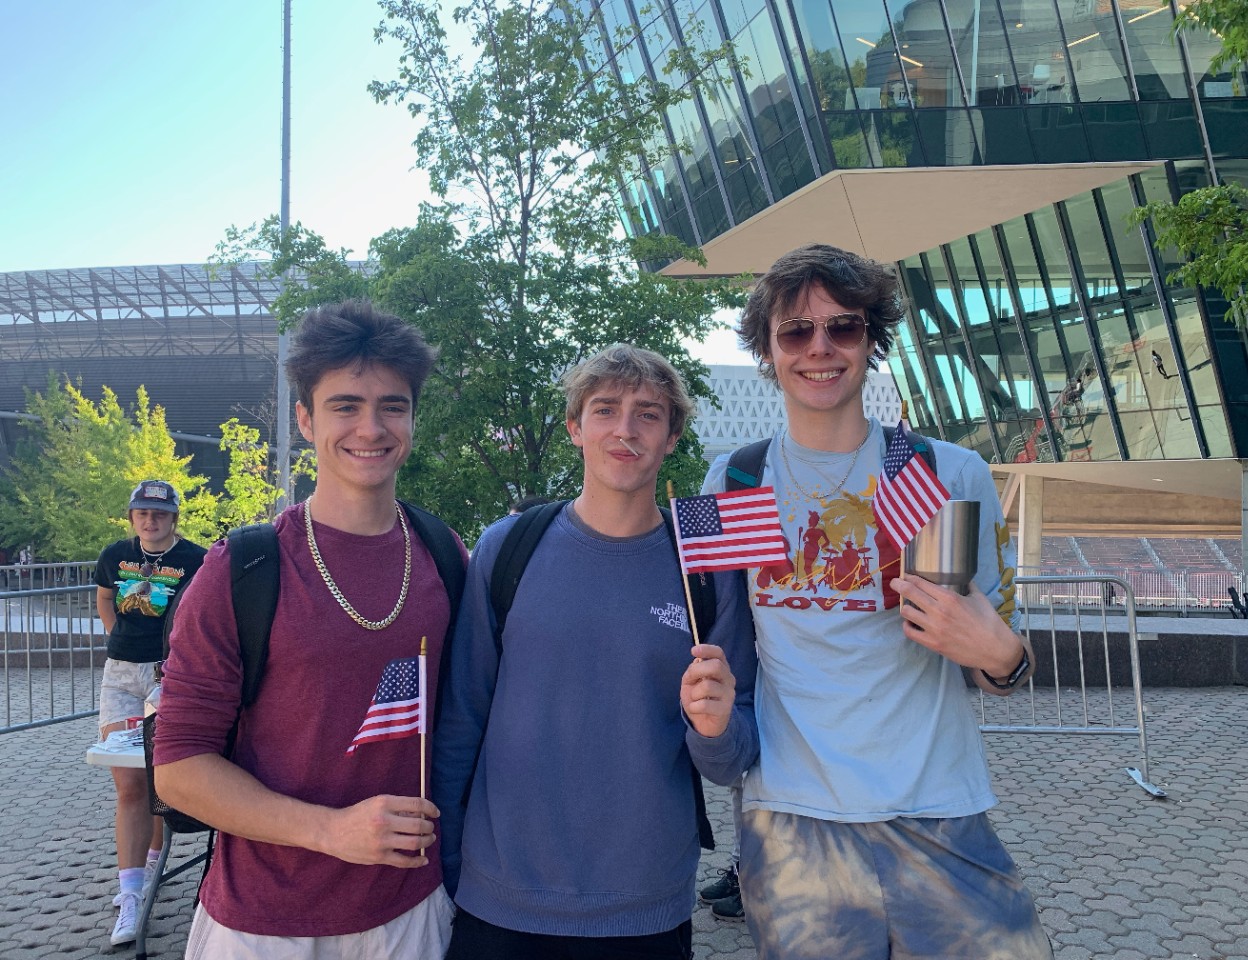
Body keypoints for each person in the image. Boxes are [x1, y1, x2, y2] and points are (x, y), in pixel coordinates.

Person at [702, 244, 1052, 959]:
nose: (820, 348)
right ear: (768, 351)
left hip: (938, 808)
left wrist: (1006, 659)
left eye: (844, 327)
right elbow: (722, 636)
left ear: (872, 339)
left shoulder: (945, 473)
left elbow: (993, 659)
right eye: (795, 331)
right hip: (793, 820)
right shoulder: (732, 480)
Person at [152, 300, 465, 959]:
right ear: (305, 417)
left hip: (411, 912)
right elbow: (178, 768)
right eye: (345, 405)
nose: (371, 428)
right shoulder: (243, 568)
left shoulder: (445, 554)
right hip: (264, 925)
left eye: (393, 406)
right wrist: (330, 832)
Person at [433, 343, 759, 959]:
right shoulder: (509, 548)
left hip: (645, 907)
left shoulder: (705, 574)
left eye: (649, 414)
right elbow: (460, 722)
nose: (626, 430)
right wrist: (446, 866)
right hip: (497, 899)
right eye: (606, 409)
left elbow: (733, 758)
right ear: (575, 428)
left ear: (672, 437)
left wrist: (715, 727)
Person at [93, 480, 206, 946]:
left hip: (169, 675)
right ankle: (130, 894)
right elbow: (104, 597)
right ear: (131, 516)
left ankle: (155, 858)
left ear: (173, 517)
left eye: (159, 514)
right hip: (120, 675)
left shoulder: (196, 559)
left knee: (162, 776)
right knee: (129, 783)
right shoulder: (114, 554)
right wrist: (119, 637)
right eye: (142, 513)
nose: (150, 520)